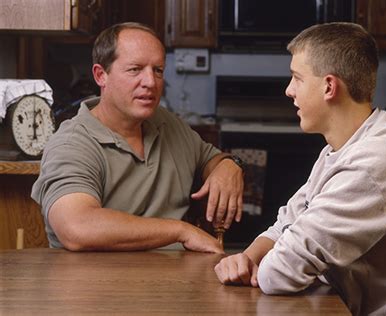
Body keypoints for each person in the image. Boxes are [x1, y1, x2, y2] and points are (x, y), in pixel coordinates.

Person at [214, 22, 386, 316]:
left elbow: (279, 274)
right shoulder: (343, 149)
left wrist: (266, 265)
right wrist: (246, 258)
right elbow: (286, 222)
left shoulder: (375, 164)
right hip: (334, 304)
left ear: (329, 86)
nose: (288, 90)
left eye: (297, 78)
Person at [31, 22, 244, 253]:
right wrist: (180, 230)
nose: (150, 82)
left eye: (158, 70)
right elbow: (77, 228)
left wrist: (229, 166)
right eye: (135, 69)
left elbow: (209, 159)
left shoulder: (167, 123)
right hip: (95, 286)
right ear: (101, 75)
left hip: (173, 282)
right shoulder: (72, 144)